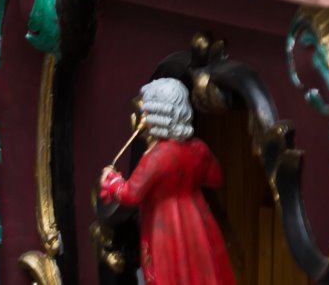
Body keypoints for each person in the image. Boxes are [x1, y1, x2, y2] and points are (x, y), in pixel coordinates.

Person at [98, 77, 232, 284]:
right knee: (198, 272)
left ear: (160, 114)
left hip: (164, 225)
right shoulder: (198, 147)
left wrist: (112, 180)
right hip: (197, 218)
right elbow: (215, 177)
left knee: (169, 274)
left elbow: (130, 194)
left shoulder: (157, 156)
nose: (143, 115)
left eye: (148, 110)